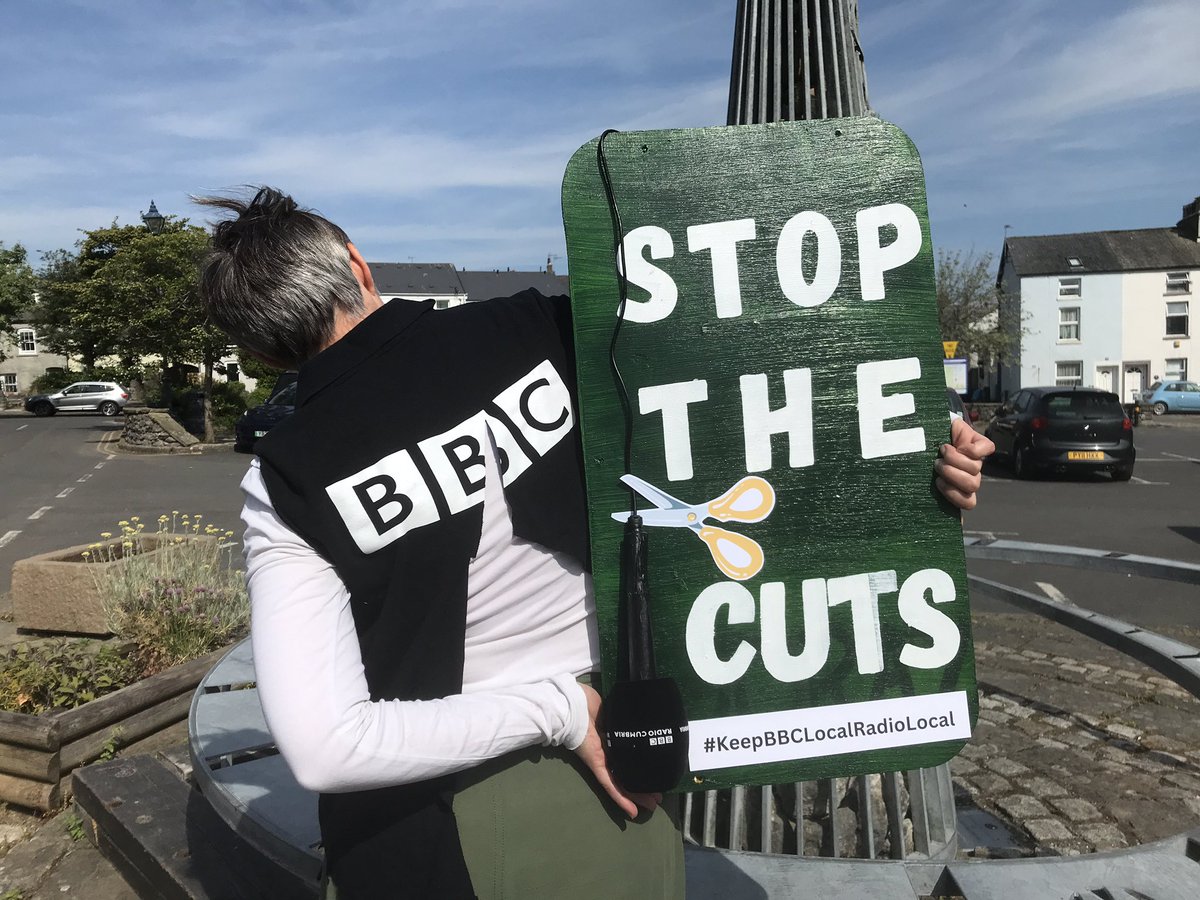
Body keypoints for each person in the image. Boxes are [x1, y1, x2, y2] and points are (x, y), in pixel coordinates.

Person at [197, 187, 993, 900]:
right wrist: (919, 452)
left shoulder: (289, 474)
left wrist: (555, 712)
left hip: (424, 825)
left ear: (261, 353)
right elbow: (751, 401)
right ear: (359, 267)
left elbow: (328, 748)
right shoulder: (541, 327)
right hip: (610, 777)